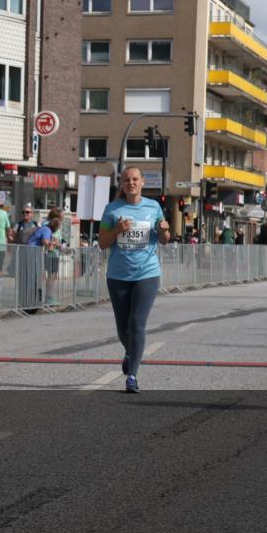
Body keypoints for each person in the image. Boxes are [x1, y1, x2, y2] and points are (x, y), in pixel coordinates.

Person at [98, 167, 170, 394]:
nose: (131, 183)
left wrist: (165, 231)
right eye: (127, 180)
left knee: (137, 324)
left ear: (142, 182)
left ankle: (132, 375)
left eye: (135, 179)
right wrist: (118, 229)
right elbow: (102, 242)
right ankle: (131, 353)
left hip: (147, 274)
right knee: (122, 328)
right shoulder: (112, 209)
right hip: (118, 275)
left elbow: (165, 239)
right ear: (121, 184)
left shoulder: (153, 207)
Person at [28, 217, 62, 305]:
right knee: (36, 277)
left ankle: (35, 299)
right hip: (32, 253)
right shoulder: (47, 230)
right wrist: (54, 244)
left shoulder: (44, 228)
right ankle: (36, 300)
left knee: (37, 277)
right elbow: (45, 242)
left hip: (32, 252)